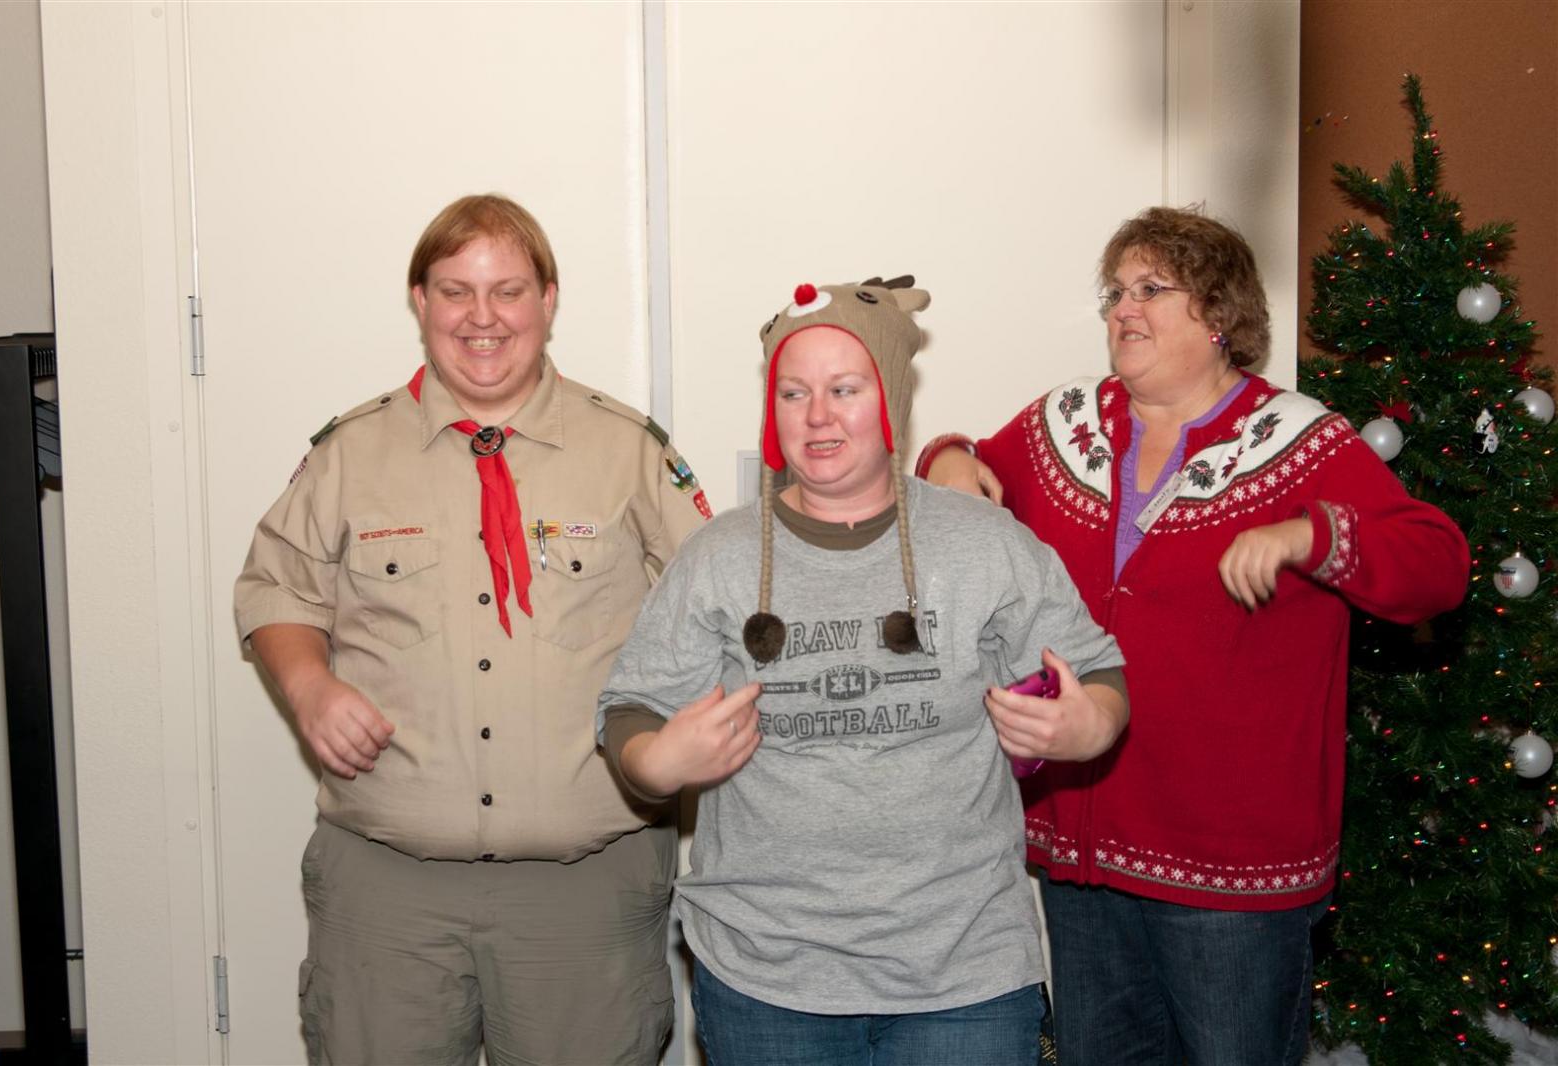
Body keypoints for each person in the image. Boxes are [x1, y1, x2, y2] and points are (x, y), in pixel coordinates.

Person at [918, 206, 1469, 1066]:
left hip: (1231, 873)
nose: (1122, 310)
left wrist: (1312, 534)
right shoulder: (1067, 423)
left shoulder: (1298, 439)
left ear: (1217, 314)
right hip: (1084, 858)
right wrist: (948, 457)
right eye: (1114, 293)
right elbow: (965, 470)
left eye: (1150, 289)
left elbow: (1438, 563)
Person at [596, 276, 1129, 1066]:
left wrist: (1088, 725)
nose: (817, 416)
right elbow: (630, 709)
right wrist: (655, 762)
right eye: (793, 393)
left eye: (844, 389)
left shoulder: (985, 543)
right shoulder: (718, 557)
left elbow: (1098, 674)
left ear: (891, 402)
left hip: (963, 978)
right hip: (767, 977)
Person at [233, 193, 710, 1065]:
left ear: (548, 301)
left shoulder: (630, 453)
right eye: (456, 291)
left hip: (584, 898)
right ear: (420, 301)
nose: (482, 317)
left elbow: (718, 611)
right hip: (388, 897)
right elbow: (274, 588)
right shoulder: (350, 454)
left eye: (508, 291)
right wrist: (309, 687)